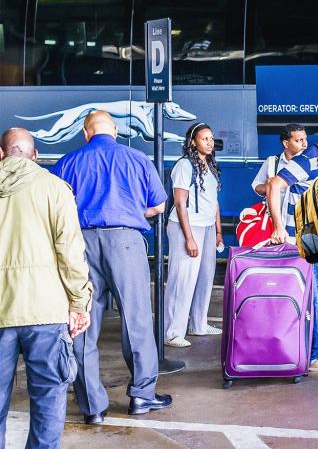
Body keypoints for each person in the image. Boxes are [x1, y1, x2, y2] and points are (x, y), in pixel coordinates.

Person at [54, 110, 172, 425]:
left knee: (82, 321)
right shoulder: (137, 159)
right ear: (116, 131)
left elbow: (56, 210)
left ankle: (92, 406)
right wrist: (131, 211)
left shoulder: (68, 163)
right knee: (136, 319)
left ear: (85, 132)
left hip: (80, 245)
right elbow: (159, 205)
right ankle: (142, 396)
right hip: (126, 242)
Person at [0, 128, 93, 448]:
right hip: (45, 311)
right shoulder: (54, 188)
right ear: (35, 155)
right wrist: (80, 303)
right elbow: (70, 252)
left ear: (2, 154)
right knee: (48, 403)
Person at [260, 124, 318, 370]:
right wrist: (279, 227)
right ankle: (316, 353)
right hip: (308, 240)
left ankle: (311, 349)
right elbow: (272, 184)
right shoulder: (310, 158)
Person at [164, 122, 223, 348]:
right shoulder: (184, 165)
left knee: (205, 276)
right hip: (186, 226)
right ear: (193, 142)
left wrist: (217, 231)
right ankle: (172, 332)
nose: (209, 143)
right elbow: (180, 203)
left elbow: (214, 202)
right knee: (182, 279)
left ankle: (198, 324)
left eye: (210, 138)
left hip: (207, 227)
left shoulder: (209, 166)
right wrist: (189, 238)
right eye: (204, 139)